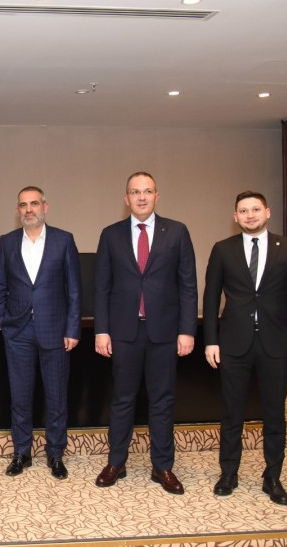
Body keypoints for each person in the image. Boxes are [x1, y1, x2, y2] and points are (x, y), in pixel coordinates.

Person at [203, 190, 287, 506]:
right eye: (243, 210)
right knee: (231, 412)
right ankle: (229, 473)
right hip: (233, 343)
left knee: (274, 413)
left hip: (276, 344)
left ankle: (272, 477)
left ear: (267, 212)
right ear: (235, 217)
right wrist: (211, 340)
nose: (249, 215)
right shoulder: (223, 249)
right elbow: (210, 298)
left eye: (255, 209)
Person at [93, 171, 197, 495]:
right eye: (135, 192)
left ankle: (162, 466)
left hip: (164, 333)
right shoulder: (110, 234)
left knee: (162, 401)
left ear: (156, 196)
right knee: (122, 400)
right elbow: (101, 287)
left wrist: (187, 330)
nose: (141, 197)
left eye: (147, 191)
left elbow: (188, 285)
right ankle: (116, 462)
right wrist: (101, 331)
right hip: (124, 333)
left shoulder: (177, 232)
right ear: (126, 198)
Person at [0, 186, 82, 478]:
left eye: (34, 204)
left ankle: (55, 454)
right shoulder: (7, 242)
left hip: (55, 331)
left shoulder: (63, 240)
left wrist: (72, 329)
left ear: (45, 207)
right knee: (20, 396)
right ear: (17, 210)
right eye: (23, 205)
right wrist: (3, 321)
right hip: (18, 332)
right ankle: (22, 453)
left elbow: (74, 290)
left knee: (56, 397)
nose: (28, 209)